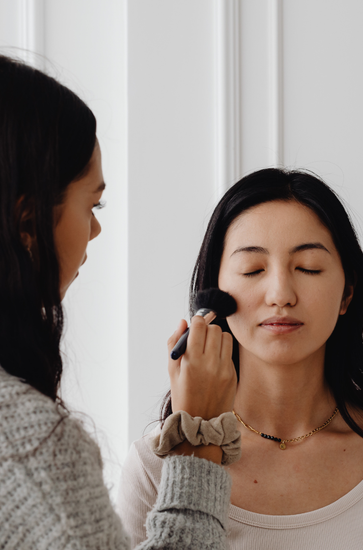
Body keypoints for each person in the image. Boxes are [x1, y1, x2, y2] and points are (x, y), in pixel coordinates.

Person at [117, 169, 363, 549]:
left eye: (308, 267)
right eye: (253, 269)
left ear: (347, 294)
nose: (280, 293)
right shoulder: (154, 467)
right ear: (214, 294)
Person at [0, 54, 238, 549]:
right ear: (28, 222)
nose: (96, 227)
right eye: (94, 204)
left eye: (309, 267)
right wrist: (199, 443)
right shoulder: (30, 449)